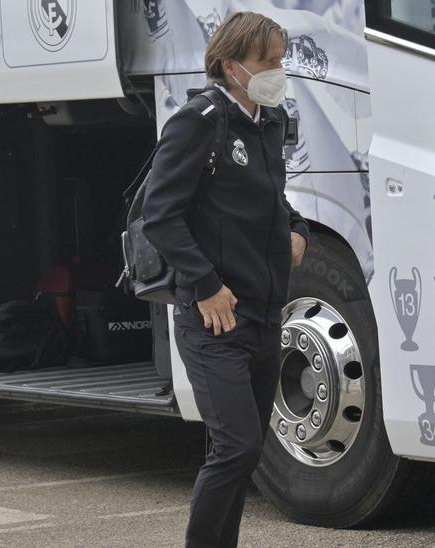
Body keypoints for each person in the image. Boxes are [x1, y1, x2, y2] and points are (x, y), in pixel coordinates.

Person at [141, 11, 309, 548]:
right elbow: (159, 214)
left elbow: (270, 198)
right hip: (214, 317)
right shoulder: (200, 121)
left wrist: (298, 227)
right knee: (236, 447)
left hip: (262, 314)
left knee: (244, 449)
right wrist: (206, 283)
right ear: (232, 65)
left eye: (281, 60)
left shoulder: (268, 119)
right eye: (269, 62)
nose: (279, 71)